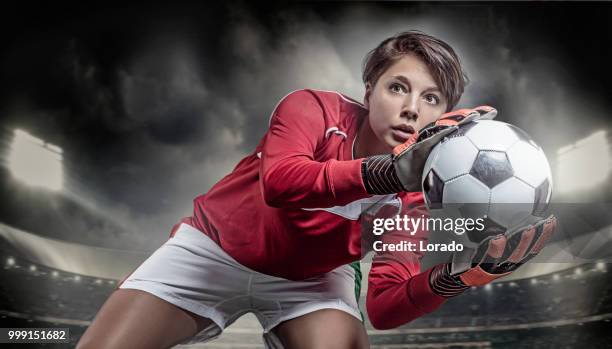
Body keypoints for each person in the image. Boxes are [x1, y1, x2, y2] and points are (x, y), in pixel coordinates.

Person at [76, 30, 557, 349]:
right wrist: (383, 172)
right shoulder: (312, 109)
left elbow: (384, 308)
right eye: (398, 88)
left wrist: (459, 276)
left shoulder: (415, 201)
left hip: (311, 280)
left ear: (443, 115)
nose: (411, 109)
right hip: (212, 252)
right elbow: (281, 184)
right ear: (369, 90)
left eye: (431, 98)